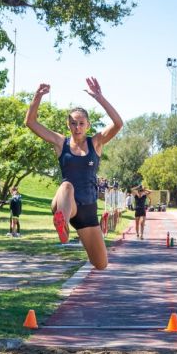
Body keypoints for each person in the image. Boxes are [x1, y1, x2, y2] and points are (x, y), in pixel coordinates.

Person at [25, 77, 123, 269]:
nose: (76, 127)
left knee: (101, 264)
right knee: (66, 186)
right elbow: (30, 122)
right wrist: (37, 97)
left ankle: (65, 226)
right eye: (72, 123)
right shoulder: (61, 142)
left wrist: (99, 97)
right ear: (68, 125)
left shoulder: (96, 143)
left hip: (88, 210)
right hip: (66, 203)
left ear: (88, 125)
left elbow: (118, 123)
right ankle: (63, 226)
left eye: (80, 123)